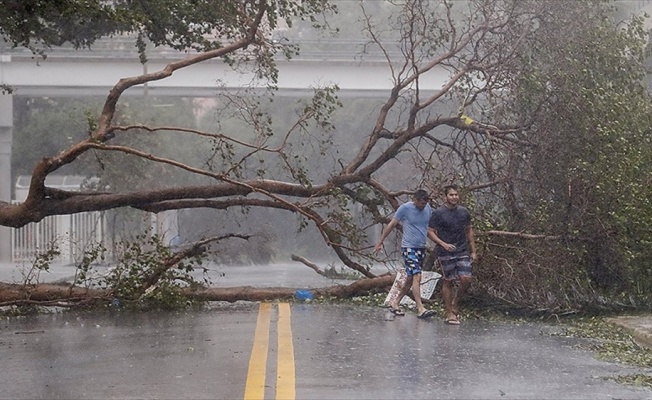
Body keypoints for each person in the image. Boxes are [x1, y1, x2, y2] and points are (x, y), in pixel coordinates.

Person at [374, 189, 436, 319]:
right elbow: (392, 224)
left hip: (421, 247)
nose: (422, 206)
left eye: (424, 204)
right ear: (415, 200)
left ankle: (395, 302)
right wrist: (380, 241)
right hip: (408, 247)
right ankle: (420, 308)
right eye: (420, 204)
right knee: (417, 275)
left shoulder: (428, 209)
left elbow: (430, 228)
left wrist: (441, 242)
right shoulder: (405, 208)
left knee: (410, 278)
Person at [428, 185, 477, 325]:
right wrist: (442, 243)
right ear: (446, 197)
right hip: (445, 251)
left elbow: (469, 231)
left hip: (462, 249)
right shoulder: (438, 213)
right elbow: (430, 231)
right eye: (451, 195)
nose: (454, 197)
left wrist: (473, 251)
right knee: (448, 280)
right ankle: (449, 312)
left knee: (466, 279)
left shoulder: (464, 212)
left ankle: (456, 302)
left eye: (456, 195)